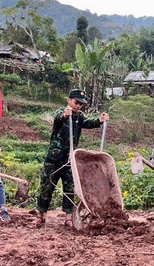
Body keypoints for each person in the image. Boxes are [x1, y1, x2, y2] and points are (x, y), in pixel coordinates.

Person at [34, 89, 109, 228]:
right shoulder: (62, 112)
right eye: (76, 102)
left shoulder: (79, 116)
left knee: (69, 188)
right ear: (69, 100)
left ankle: (68, 217)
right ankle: (41, 215)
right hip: (54, 158)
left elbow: (88, 123)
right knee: (47, 186)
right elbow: (58, 117)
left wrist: (100, 120)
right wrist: (65, 115)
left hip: (70, 159)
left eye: (81, 104)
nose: (78, 106)